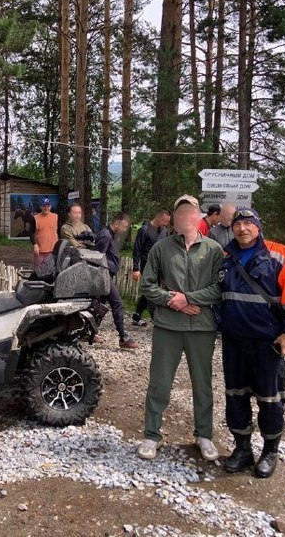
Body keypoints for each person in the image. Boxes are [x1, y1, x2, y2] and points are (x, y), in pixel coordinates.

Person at [218, 207, 285, 478]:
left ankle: (270, 451)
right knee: (235, 396)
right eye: (238, 224)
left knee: (270, 399)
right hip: (234, 341)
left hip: (267, 343)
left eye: (248, 224)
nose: (242, 229)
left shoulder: (280, 255)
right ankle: (242, 448)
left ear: (258, 227)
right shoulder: (226, 257)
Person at [137, 195, 224, 462]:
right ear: (174, 219)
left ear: (198, 217)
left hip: (202, 327)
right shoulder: (161, 249)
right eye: (181, 212)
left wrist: (189, 299)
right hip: (168, 326)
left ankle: (204, 435)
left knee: (202, 384)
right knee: (160, 383)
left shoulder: (213, 250)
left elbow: (219, 287)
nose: (186, 217)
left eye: (191, 212)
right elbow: (147, 285)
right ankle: (152, 435)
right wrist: (172, 302)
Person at [95, 212, 138, 350]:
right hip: (104, 276)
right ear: (116, 223)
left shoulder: (110, 235)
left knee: (100, 306)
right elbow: (97, 257)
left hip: (106, 275)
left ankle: (88, 332)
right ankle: (123, 338)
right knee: (117, 303)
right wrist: (104, 275)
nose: (125, 230)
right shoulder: (105, 235)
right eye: (124, 226)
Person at [131, 208, 171, 326]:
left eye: (168, 221)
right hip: (147, 265)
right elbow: (137, 250)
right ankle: (156, 319)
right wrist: (135, 269)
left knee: (149, 291)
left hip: (160, 266)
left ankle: (137, 315)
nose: (166, 224)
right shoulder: (144, 230)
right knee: (152, 290)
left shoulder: (164, 231)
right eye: (165, 221)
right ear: (158, 217)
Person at [29, 198, 59, 268]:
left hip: (53, 251)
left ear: (50, 207)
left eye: (48, 206)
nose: (46, 208)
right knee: (39, 270)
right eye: (44, 206)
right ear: (41, 207)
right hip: (40, 251)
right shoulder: (35, 218)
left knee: (53, 270)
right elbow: (31, 232)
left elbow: (59, 232)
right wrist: (35, 244)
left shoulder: (56, 217)